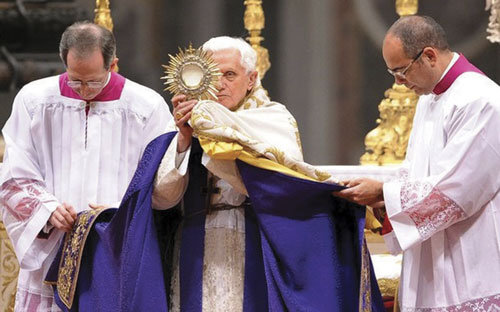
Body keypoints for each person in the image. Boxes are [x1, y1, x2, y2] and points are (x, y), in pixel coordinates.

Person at [152, 36, 384, 311]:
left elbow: (285, 189)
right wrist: (184, 140)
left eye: (229, 74)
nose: (219, 84)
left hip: (253, 240)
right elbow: (162, 199)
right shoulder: (183, 122)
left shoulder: (274, 120)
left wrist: (215, 128)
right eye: (211, 74)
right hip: (193, 244)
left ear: (251, 79)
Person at [0, 21, 171, 311]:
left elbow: (162, 181)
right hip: (53, 246)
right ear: (64, 61)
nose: (83, 91)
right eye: (75, 80)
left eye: (92, 81)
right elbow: (14, 172)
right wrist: (47, 208)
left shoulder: (146, 107)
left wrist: (116, 213)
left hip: (115, 247)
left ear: (113, 65)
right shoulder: (34, 101)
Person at [335, 15, 500, 311]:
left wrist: (383, 193)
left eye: (401, 71)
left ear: (429, 56)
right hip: (433, 257)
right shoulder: (428, 99)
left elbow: (457, 189)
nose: (398, 82)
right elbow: (416, 172)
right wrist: (384, 199)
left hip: (471, 255)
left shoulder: (481, 100)